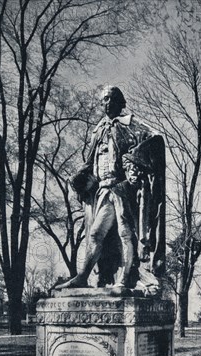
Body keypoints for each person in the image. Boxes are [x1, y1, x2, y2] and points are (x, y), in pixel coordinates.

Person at [56, 85, 166, 293]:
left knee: (126, 233)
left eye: (109, 99)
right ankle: (83, 276)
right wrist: (79, 179)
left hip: (123, 189)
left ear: (119, 102)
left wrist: (133, 159)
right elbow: (91, 161)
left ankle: (125, 279)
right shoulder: (98, 130)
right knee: (96, 234)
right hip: (104, 190)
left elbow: (156, 140)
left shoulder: (130, 124)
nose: (105, 103)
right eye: (103, 100)